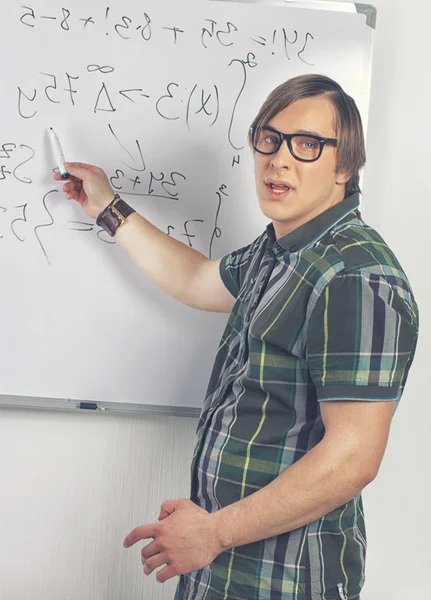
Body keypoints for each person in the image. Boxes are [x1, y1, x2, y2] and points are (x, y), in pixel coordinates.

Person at [55, 74, 419, 600]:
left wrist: (212, 532)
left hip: (287, 577)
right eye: (269, 138)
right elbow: (198, 280)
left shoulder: (355, 277)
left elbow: (354, 457)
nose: (279, 158)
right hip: (221, 561)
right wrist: (108, 209)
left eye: (307, 144)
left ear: (344, 166)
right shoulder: (281, 250)